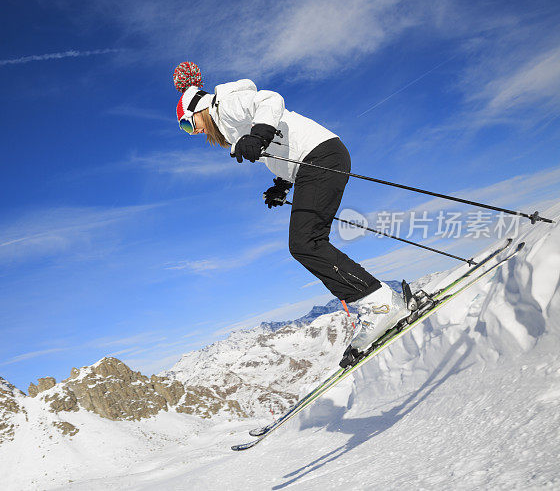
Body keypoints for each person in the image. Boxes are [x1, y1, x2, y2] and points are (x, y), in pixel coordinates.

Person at [172, 61, 407, 367]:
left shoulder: (225, 105)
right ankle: (377, 301)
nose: (194, 132)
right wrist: (282, 184)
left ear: (197, 108)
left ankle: (380, 304)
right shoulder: (232, 126)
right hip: (311, 161)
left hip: (320, 155)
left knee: (305, 243)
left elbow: (271, 100)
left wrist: (258, 135)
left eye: (188, 124)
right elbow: (283, 148)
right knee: (305, 243)